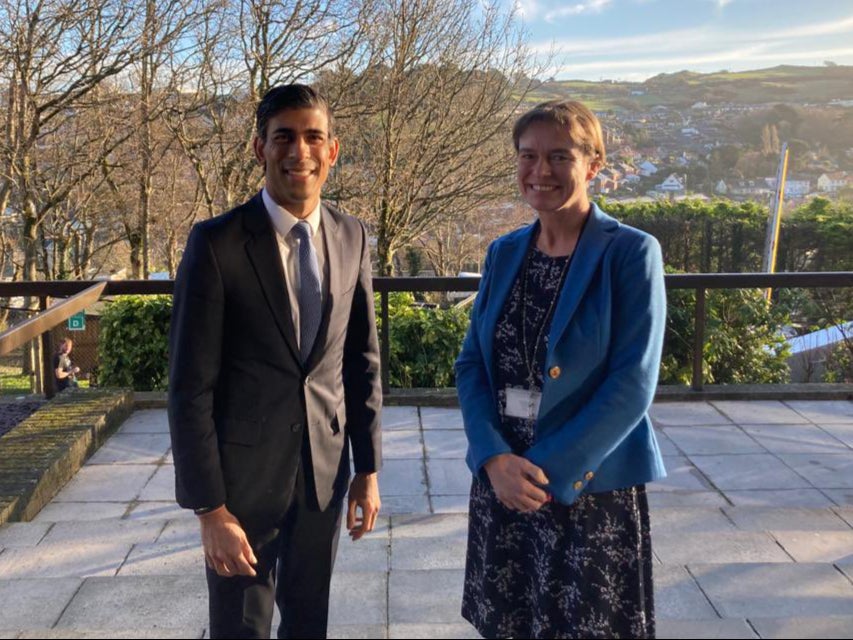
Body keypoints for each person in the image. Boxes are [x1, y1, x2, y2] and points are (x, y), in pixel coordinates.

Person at [168, 84, 382, 640]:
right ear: (259, 147)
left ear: (333, 150)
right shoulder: (216, 245)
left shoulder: (353, 235)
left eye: (314, 137)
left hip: (324, 476)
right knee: (242, 628)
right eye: (283, 137)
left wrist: (369, 469)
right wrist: (209, 510)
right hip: (241, 487)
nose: (299, 151)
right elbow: (189, 389)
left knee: (309, 621)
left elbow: (360, 362)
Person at [455, 100, 667, 639]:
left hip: (584, 492)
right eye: (528, 156)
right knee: (510, 625)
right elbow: (472, 363)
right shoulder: (503, 253)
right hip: (503, 484)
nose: (540, 171)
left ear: (593, 165)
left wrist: (540, 474)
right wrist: (492, 459)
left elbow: (632, 383)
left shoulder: (631, 254)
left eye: (558, 156)